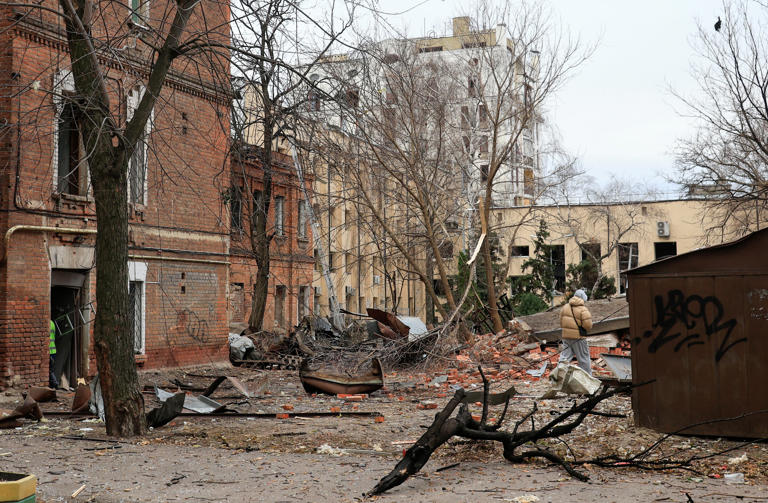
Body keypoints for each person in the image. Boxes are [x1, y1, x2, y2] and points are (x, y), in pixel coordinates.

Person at [558, 288, 594, 375]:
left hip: (566, 337)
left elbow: (561, 321)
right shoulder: (583, 309)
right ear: (583, 298)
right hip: (579, 338)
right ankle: (587, 379)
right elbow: (588, 326)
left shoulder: (565, 307)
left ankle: (558, 376)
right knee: (584, 359)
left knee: (564, 358)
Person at [49, 319, 59, 389]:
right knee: (51, 369)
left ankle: (55, 383)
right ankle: (52, 384)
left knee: (49, 369)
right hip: (53, 349)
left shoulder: (47, 323)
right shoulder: (52, 323)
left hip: (49, 350)